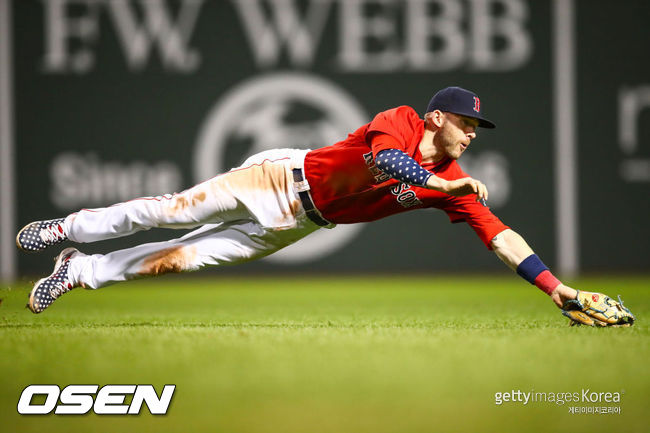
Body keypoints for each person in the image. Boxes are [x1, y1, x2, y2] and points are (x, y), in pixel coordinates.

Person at [16, 86, 635, 327]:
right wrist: (445, 186)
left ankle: (78, 270)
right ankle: (66, 227)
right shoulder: (397, 122)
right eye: (467, 124)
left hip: (302, 223)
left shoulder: (453, 177)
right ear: (438, 118)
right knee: (169, 210)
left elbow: (500, 235)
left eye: (479, 128)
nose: (472, 135)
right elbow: (389, 163)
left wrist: (557, 290)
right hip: (279, 178)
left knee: (183, 259)